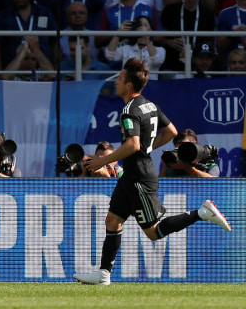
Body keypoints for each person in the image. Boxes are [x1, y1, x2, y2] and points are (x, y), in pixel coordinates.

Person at [73, 58, 231, 286]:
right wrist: (150, 147)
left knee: (153, 232)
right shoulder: (150, 105)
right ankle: (104, 274)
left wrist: (102, 161)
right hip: (131, 175)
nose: (116, 81)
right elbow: (171, 132)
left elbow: (134, 145)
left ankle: (202, 213)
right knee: (112, 220)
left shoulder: (129, 110)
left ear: (128, 85)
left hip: (139, 177)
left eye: (119, 78)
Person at [160, 0, 215, 77]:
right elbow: (157, 38)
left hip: (198, 67)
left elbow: (210, 41)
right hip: (172, 64)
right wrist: (168, 42)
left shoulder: (207, 15)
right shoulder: (169, 11)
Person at [104, 15, 166, 80]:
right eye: (139, 24)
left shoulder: (160, 50)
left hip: (150, 86)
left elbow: (156, 61)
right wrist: (118, 34)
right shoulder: (126, 48)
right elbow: (109, 55)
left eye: (145, 25)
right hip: (129, 86)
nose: (142, 27)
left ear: (151, 30)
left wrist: (147, 38)